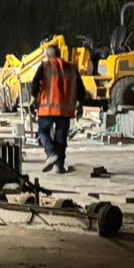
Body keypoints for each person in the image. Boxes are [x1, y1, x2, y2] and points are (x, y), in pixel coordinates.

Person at [26, 43, 81, 173]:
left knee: (43, 132)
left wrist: (33, 99)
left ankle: (51, 154)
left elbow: (34, 85)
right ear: (59, 54)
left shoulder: (45, 66)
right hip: (65, 110)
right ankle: (59, 166)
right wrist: (80, 103)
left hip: (47, 109)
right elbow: (80, 88)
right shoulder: (72, 68)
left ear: (47, 55)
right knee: (61, 137)